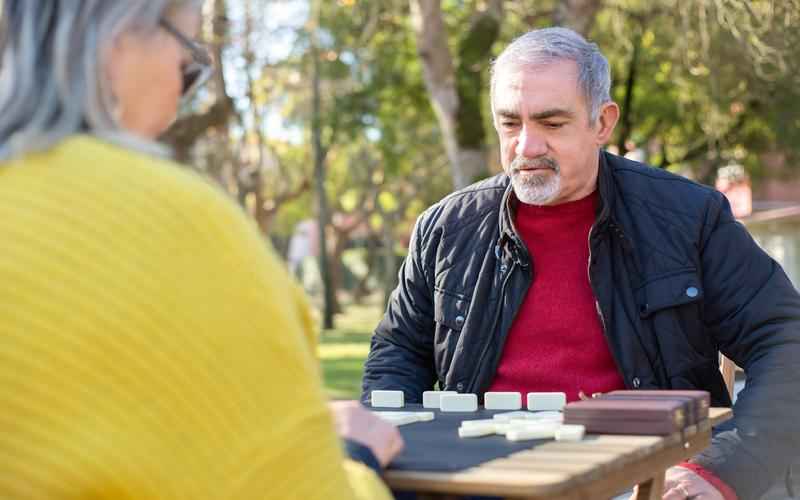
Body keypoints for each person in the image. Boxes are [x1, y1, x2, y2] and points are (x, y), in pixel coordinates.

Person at [362, 27, 800, 500]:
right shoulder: (445, 229)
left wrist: (723, 470)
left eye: (552, 124)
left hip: (644, 477)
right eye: (511, 124)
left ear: (602, 122)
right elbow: (396, 359)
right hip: (482, 476)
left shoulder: (689, 218)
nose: (527, 146)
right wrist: (400, 457)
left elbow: (784, 339)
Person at [0, 1, 402, 499]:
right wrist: (354, 457)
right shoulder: (170, 221)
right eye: (185, 64)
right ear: (119, 36)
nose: (178, 103)